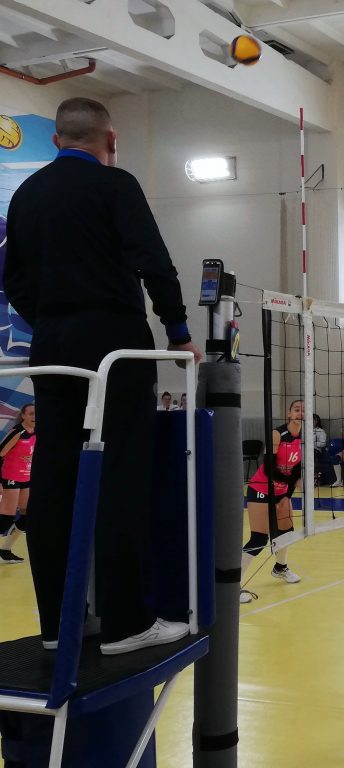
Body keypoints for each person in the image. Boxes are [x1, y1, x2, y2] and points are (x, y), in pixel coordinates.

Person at [4, 97, 201, 654]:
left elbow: (13, 279)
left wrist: (50, 318)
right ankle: (126, 624)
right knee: (121, 473)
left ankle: (58, 625)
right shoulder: (116, 185)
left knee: (54, 477)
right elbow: (154, 262)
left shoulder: (26, 194)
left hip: (51, 344)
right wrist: (179, 332)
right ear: (110, 141)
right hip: (114, 340)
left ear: (57, 140)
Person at [240, 399, 304, 603]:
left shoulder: (303, 438)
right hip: (261, 488)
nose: (300, 413)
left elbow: (295, 470)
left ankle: (280, 567)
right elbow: (269, 469)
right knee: (259, 539)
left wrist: (286, 495)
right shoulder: (278, 434)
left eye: (304, 410)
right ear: (289, 414)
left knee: (286, 533)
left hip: (281, 491)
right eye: (297, 410)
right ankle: (233, 585)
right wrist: (291, 485)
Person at [0, 403, 36, 564]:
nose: (35, 417)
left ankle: (5, 549)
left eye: (37, 414)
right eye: (31, 414)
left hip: (26, 478)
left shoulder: (37, 432)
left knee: (27, 517)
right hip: (10, 477)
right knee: (5, 520)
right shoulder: (17, 432)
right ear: (23, 416)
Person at [312, 413, 336, 487]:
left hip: (316, 451)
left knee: (312, 455)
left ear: (316, 421)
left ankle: (315, 479)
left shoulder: (320, 431)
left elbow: (323, 443)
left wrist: (312, 443)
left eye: (313, 420)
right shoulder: (304, 430)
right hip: (304, 451)